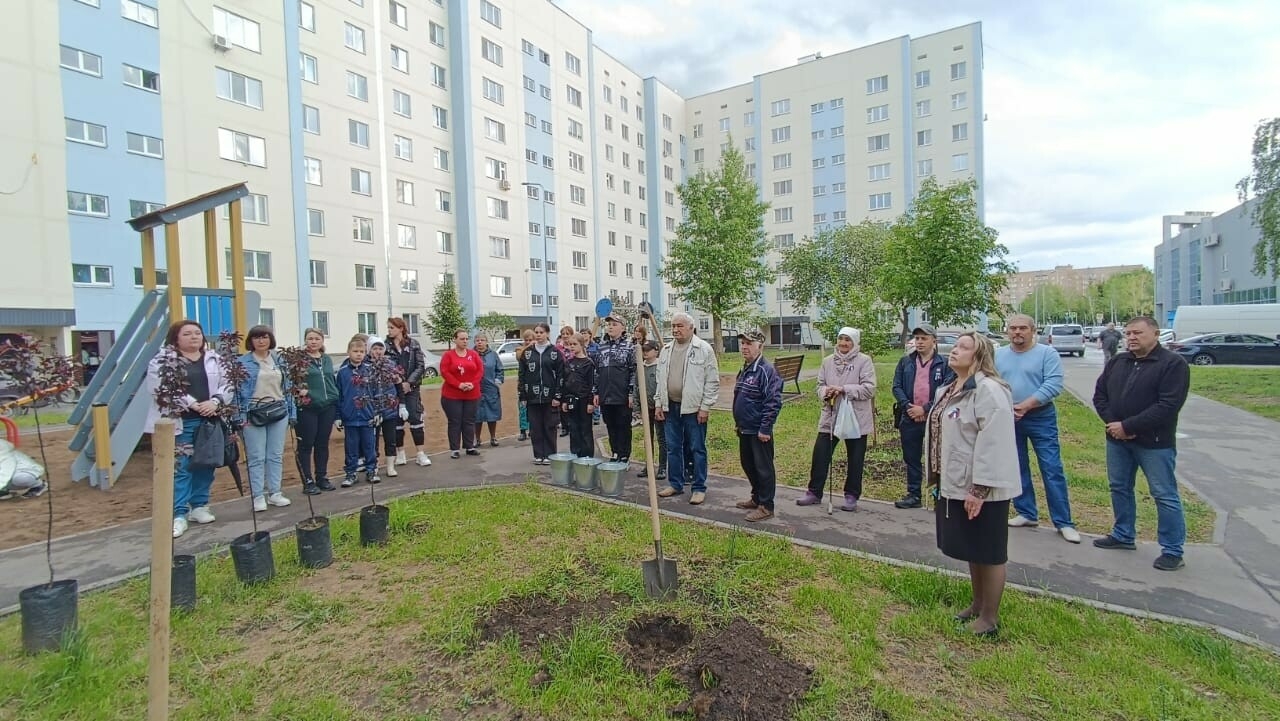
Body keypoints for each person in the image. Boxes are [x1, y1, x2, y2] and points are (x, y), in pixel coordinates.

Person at [928, 332, 1020, 637]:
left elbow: (995, 443)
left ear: (979, 356)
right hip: (956, 481)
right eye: (954, 346)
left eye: (963, 347)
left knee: (989, 549)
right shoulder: (951, 387)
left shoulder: (989, 390)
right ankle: (978, 604)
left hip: (983, 487)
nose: (954, 351)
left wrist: (980, 489)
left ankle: (990, 619)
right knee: (972, 548)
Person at [1092, 316, 1191, 571]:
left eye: (1138, 333)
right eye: (1128, 333)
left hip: (1154, 443)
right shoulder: (1118, 361)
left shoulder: (1172, 364)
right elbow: (1100, 395)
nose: (1132, 337)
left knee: (1163, 493)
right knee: (1119, 487)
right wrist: (1115, 424)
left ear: (1156, 334)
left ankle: (1172, 549)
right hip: (1116, 439)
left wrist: (1129, 427)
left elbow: (1168, 405)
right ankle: (1123, 534)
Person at [144, 320, 233, 538]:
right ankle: (179, 513)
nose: (194, 337)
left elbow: (229, 383)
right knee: (182, 466)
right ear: (176, 337)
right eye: (187, 334)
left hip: (209, 418)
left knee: (206, 463)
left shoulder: (215, 358)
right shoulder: (164, 360)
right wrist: (192, 403)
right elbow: (160, 387)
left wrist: (216, 402)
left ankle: (200, 505)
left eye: (197, 333)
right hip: (180, 420)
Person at [996, 315, 1080, 543]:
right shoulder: (999, 354)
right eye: (1013, 328)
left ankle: (1064, 522)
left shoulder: (1047, 354)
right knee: (1017, 465)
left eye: (1023, 328)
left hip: (1040, 416)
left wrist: (1027, 405)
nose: (1017, 333)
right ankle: (1026, 512)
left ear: (1033, 331)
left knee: (1051, 467)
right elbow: (992, 382)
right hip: (1010, 417)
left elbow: (1053, 384)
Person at [797, 327, 876, 512]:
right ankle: (814, 492)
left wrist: (844, 389)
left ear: (855, 342)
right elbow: (819, 386)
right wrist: (827, 391)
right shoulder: (827, 362)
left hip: (855, 417)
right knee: (820, 454)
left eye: (848, 340)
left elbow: (869, 388)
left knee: (855, 458)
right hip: (831, 415)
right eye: (841, 339)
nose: (843, 343)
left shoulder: (864, 361)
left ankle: (851, 495)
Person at [655, 312, 719, 505]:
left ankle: (699, 487)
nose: (675, 329)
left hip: (694, 408)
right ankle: (675, 483)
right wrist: (659, 403)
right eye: (673, 326)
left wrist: (705, 407)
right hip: (670, 407)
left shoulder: (704, 349)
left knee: (697, 448)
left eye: (680, 326)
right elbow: (660, 379)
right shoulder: (665, 349)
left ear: (692, 328)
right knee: (673, 448)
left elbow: (712, 381)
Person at [892, 323, 955, 509]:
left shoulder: (944, 364)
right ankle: (914, 494)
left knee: (937, 456)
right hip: (909, 417)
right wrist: (908, 407)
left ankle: (940, 494)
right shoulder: (906, 362)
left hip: (933, 418)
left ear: (934, 341)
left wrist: (925, 409)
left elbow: (947, 389)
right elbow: (897, 386)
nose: (919, 342)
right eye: (917, 338)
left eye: (924, 338)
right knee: (911, 457)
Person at [236, 325, 295, 514]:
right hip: (253, 412)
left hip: (278, 410)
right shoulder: (243, 362)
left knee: (275, 455)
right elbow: (236, 392)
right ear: (251, 341)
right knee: (256, 456)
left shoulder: (279, 360)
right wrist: (239, 417)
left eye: (265, 337)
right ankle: (258, 496)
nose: (261, 341)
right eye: (257, 338)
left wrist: (292, 412)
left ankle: (275, 492)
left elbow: (289, 387)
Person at [731, 331, 783, 522]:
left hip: (758, 430)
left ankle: (766, 505)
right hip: (745, 428)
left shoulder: (766, 370)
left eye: (749, 344)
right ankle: (757, 497)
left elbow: (773, 401)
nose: (744, 347)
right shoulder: (746, 368)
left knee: (763, 468)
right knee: (748, 465)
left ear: (760, 346)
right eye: (742, 343)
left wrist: (765, 428)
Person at [336, 335, 392, 486]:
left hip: (368, 416)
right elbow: (339, 395)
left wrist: (378, 412)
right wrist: (338, 416)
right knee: (351, 447)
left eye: (361, 351)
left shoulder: (370, 370)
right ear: (349, 352)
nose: (358, 354)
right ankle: (351, 473)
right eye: (355, 351)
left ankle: (371, 471)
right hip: (350, 417)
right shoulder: (342, 373)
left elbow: (376, 392)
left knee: (369, 446)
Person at [295, 327, 339, 495]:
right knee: (306, 444)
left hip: (327, 407)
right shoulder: (299, 360)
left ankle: (322, 477)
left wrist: (334, 395)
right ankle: (308, 480)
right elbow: (292, 381)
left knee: (322, 444)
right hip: (308, 408)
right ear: (305, 340)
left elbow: (330, 380)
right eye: (310, 338)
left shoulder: (326, 359)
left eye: (316, 338)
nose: (313, 341)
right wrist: (301, 391)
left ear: (322, 341)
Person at [385, 317, 431, 467]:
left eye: (392, 327)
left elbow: (420, 366)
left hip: (411, 389)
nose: (389, 330)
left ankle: (420, 453)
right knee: (397, 421)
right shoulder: (386, 346)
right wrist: (397, 382)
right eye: (388, 328)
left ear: (401, 328)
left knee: (415, 418)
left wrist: (409, 382)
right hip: (393, 390)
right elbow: (385, 367)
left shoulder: (413, 344)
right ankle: (400, 453)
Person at [518, 323, 564, 464]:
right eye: (536, 332)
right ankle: (538, 454)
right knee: (535, 427)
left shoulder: (555, 352)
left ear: (547, 334)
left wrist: (558, 396)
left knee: (549, 426)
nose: (538, 335)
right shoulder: (527, 353)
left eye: (541, 332)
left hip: (550, 397)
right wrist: (523, 395)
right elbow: (522, 375)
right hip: (532, 396)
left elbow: (561, 375)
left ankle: (550, 454)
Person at [593, 315, 636, 462]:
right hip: (606, 394)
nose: (610, 327)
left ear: (623, 328)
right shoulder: (602, 346)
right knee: (610, 424)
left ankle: (624, 454)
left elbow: (633, 371)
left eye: (614, 324)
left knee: (623, 425)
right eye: (608, 324)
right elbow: (597, 371)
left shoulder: (630, 346)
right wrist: (596, 392)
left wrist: (631, 393)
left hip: (622, 394)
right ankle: (615, 452)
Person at [440, 329, 483, 459]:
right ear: (455, 339)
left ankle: (470, 446)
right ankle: (454, 448)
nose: (465, 341)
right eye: (461, 339)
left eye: (466, 339)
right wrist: (459, 384)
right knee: (455, 421)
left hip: (471, 393)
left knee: (469, 420)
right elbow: (445, 372)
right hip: (452, 395)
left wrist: (472, 383)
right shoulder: (448, 355)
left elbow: (480, 370)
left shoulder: (473, 354)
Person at [367, 338, 404, 477]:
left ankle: (390, 466)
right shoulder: (366, 367)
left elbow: (398, 386)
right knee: (372, 440)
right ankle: (373, 466)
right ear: (369, 350)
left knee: (390, 439)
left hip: (390, 408)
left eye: (380, 349)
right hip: (372, 410)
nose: (378, 352)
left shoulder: (391, 365)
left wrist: (402, 405)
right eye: (374, 349)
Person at [560, 334, 597, 458]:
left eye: (574, 344)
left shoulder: (588, 363)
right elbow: (565, 382)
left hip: (584, 400)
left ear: (581, 345)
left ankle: (587, 456)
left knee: (585, 429)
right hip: (571, 399)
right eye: (570, 344)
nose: (572, 347)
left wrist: (590, 402)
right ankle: (576, 454)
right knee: (573, 429)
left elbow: (591, 383)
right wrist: (564, 400)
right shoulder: (568, 363)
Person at [634, 340, 666, 480]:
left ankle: (663, 467)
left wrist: (663, 406)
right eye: (643, 350)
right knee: (648, 438)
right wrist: (637, 407)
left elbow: (663, 388)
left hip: (658, 408)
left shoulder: (660, 366)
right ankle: (648, 466)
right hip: (645, 407)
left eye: (648, 350)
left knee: (661, 438)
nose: (645, 352)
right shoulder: (640, 367)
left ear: (656, 351)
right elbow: (636, 388)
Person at [473, 333, 505, 447]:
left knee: (492, 413)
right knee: (477, 415)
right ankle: (477, 439)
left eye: (482, 340)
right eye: (477, 340)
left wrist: (498, 381)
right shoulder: (471, 355)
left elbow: (500, 370)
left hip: (490, 388)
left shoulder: (493, 355)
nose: (480, 342)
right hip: (475, 389)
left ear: (486, 342)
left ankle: (493, 437)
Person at [516, 328, 534, 442]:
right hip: (523, 384)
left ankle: (532, 430)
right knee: (522, 408)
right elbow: (520, 356)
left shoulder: (537, 350)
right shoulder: (520, 349)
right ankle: (523, 431)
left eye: (530, 339)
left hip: (534, 383)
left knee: (533, 409)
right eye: (526, 340)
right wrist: (530, 346)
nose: (528, 342)